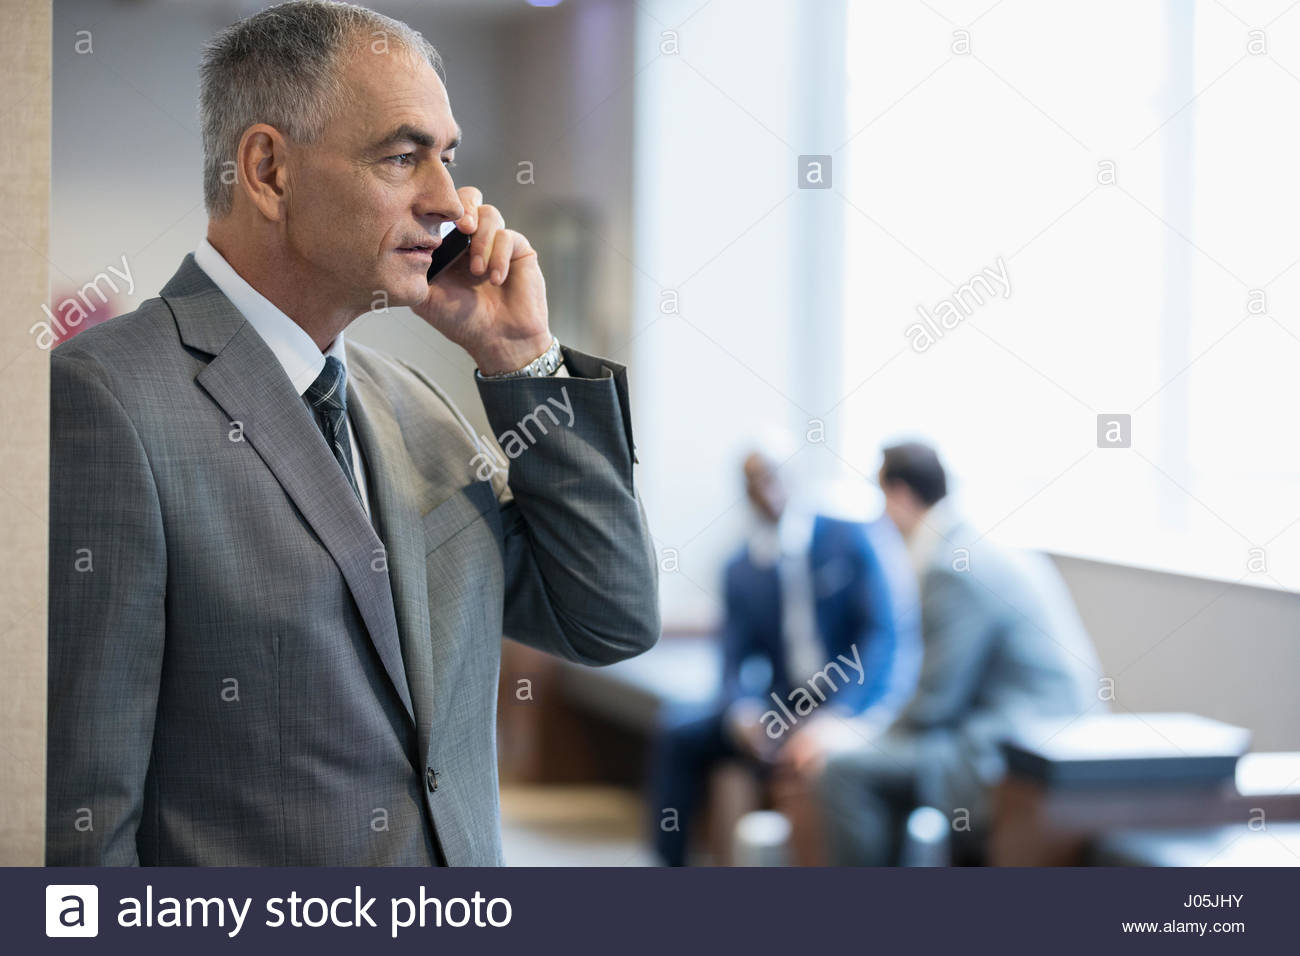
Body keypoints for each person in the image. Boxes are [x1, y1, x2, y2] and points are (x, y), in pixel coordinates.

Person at [46, 0, 658, 867]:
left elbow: (609, 619)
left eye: (446, 159)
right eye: (403, 157)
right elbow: (80, 821)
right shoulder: (105, 401)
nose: (450, 203)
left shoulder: (417, 410)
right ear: (268, 169)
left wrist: (522, 358)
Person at [781, 441, 1104, 865]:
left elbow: (932, 706)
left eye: (881, 501)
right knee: (872, 761)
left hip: (1014, 742)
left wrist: (850, 733)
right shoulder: (975, 544)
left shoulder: (951, 567)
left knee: (843, 771)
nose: (879, 519)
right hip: (1037, 726)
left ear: (899, 495)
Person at [649, 445, 919, 866]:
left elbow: (881, 637)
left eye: (771, 476)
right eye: (752, 482)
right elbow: (734, 655)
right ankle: (668, 863)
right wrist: (741, 710)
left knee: (813, 764)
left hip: (848, 702)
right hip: (785, 704)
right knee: (680, 730)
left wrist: (841, 715)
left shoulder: (849, 537)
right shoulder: (741, 566)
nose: (765, 490)